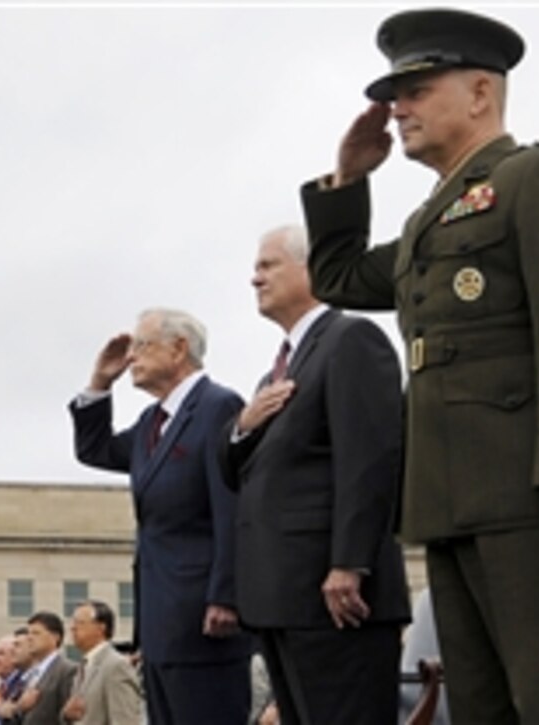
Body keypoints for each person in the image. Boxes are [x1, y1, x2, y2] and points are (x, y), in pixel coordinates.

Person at [299, 8, 539, 723]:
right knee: (483, 709)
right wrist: (347, 176)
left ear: (481, 92)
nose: (396, 109)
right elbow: (336, 278)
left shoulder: (537, 175)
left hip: (535, 496)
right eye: (394, 96)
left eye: (416, 90)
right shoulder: (434, 219)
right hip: (453, 501)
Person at [220, 225, 409, 724]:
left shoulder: (351, 340)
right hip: (283, 598)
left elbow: (370, 460)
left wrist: (349, 563)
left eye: (268, 265)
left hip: (335, 597)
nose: (254, 279)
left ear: (311, 269)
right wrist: (242, 425)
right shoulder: (276, 373)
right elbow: (233, 470)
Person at [69, 307, 252, 724]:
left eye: (142, 346)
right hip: (161, 620)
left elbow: (231, 505)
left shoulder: (217, 406)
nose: (132, 357)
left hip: (203, 617)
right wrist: (100, 382)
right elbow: (94, 450)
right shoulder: (153, 421)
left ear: (179, 348)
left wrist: (226, 595)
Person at [61, 600, 143, 725]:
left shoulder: (116, 666)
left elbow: (125, 720)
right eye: (73, 622)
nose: (73, 628)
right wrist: (67, 716)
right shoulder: (84, 666)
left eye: (80, 623)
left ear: (100, 628)